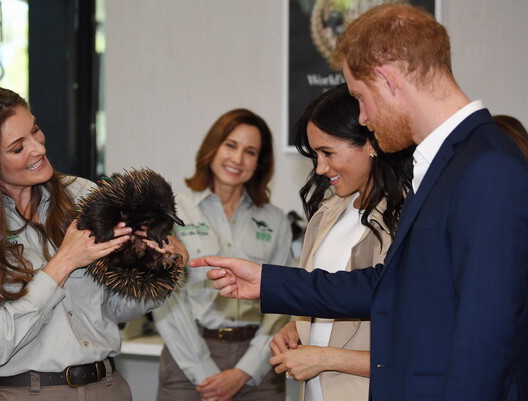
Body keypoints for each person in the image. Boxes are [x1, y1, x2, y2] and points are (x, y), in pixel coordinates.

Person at [191, 4, 528, 401]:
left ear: (387, 80)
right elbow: (388, 284)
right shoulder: (449, 161)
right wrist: (267, 280)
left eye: (360, 97)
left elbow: (487, 339)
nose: (364, 117)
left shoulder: (487, 165)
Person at [0, 86, 187, 401]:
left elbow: (115, 307)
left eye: (35, 130)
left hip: (107, 387)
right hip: (23, 393)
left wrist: (159, 266)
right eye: (17, 147)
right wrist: (63, 262)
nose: (38, 148)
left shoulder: (81, 196)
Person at [269, 83, 413, 401]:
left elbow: (412, 351)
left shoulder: (407, 219)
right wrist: (299, 329)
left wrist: (326, 358)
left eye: (328, 153)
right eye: (315, 155)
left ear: (371, 144)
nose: (320, 169)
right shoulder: (328, 211)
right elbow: (323, 298)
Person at [152, 108, 293, 401]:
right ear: (213, 147)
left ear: (259, 162)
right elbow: (165, 297)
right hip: (188, 355)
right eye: (230, 145)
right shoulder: (173, 212)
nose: (238, 159)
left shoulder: (276, 221)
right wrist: (203, 370)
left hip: (259, 358)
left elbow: (283, 297)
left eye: (250, 151)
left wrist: (246, 371)